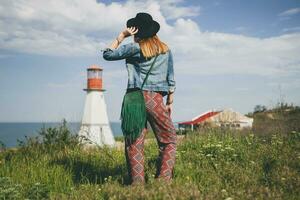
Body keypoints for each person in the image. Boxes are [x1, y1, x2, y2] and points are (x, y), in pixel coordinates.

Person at [102, 12, 177, 185]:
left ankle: (137, 184)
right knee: (169, 140)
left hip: (134, 99)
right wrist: (169, 101)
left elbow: (107, 54)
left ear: (137, 31)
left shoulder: (134, 48)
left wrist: (121, 36)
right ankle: (163, 182)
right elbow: (171, 78)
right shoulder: (165, 50)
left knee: (134, 142)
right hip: (155, 99)